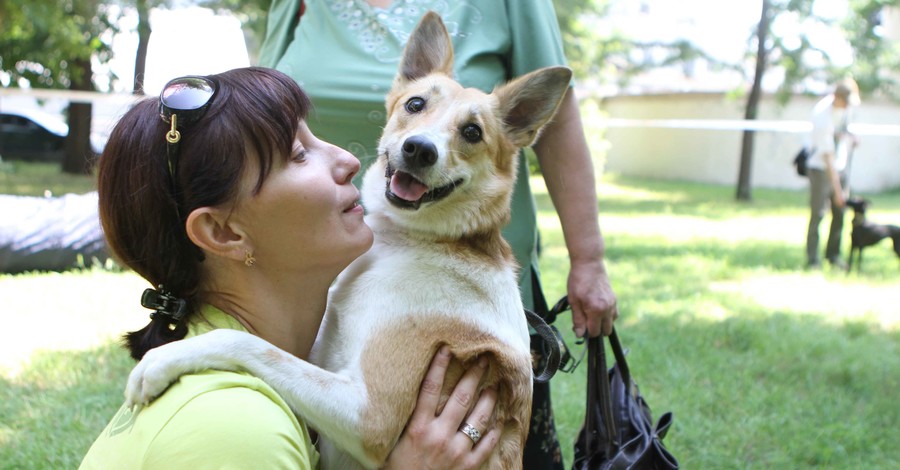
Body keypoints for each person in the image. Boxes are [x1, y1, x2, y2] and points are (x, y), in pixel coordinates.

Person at [80, 67, 499, 469]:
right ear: (223, 232)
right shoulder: (241, 432)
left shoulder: (268, 383)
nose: (348, 160)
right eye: (299, 155)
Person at [257, 1, 618, 467]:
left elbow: (366, 423)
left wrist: (587, 259)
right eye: (415, 106)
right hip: (337, 243)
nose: (424, 140)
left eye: (470, 133)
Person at [806, 78, 860, 269]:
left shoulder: (845, 110)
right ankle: (813, 259)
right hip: (821, 168)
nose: (846, 107)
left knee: (840, 213)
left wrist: (850, 136)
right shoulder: (822, 115)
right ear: (836, 97)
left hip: (840, 165)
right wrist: (838, 191)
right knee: (818, 213)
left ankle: (833, 255)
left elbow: (841, 130)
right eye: (845, 102)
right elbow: (827, 156)